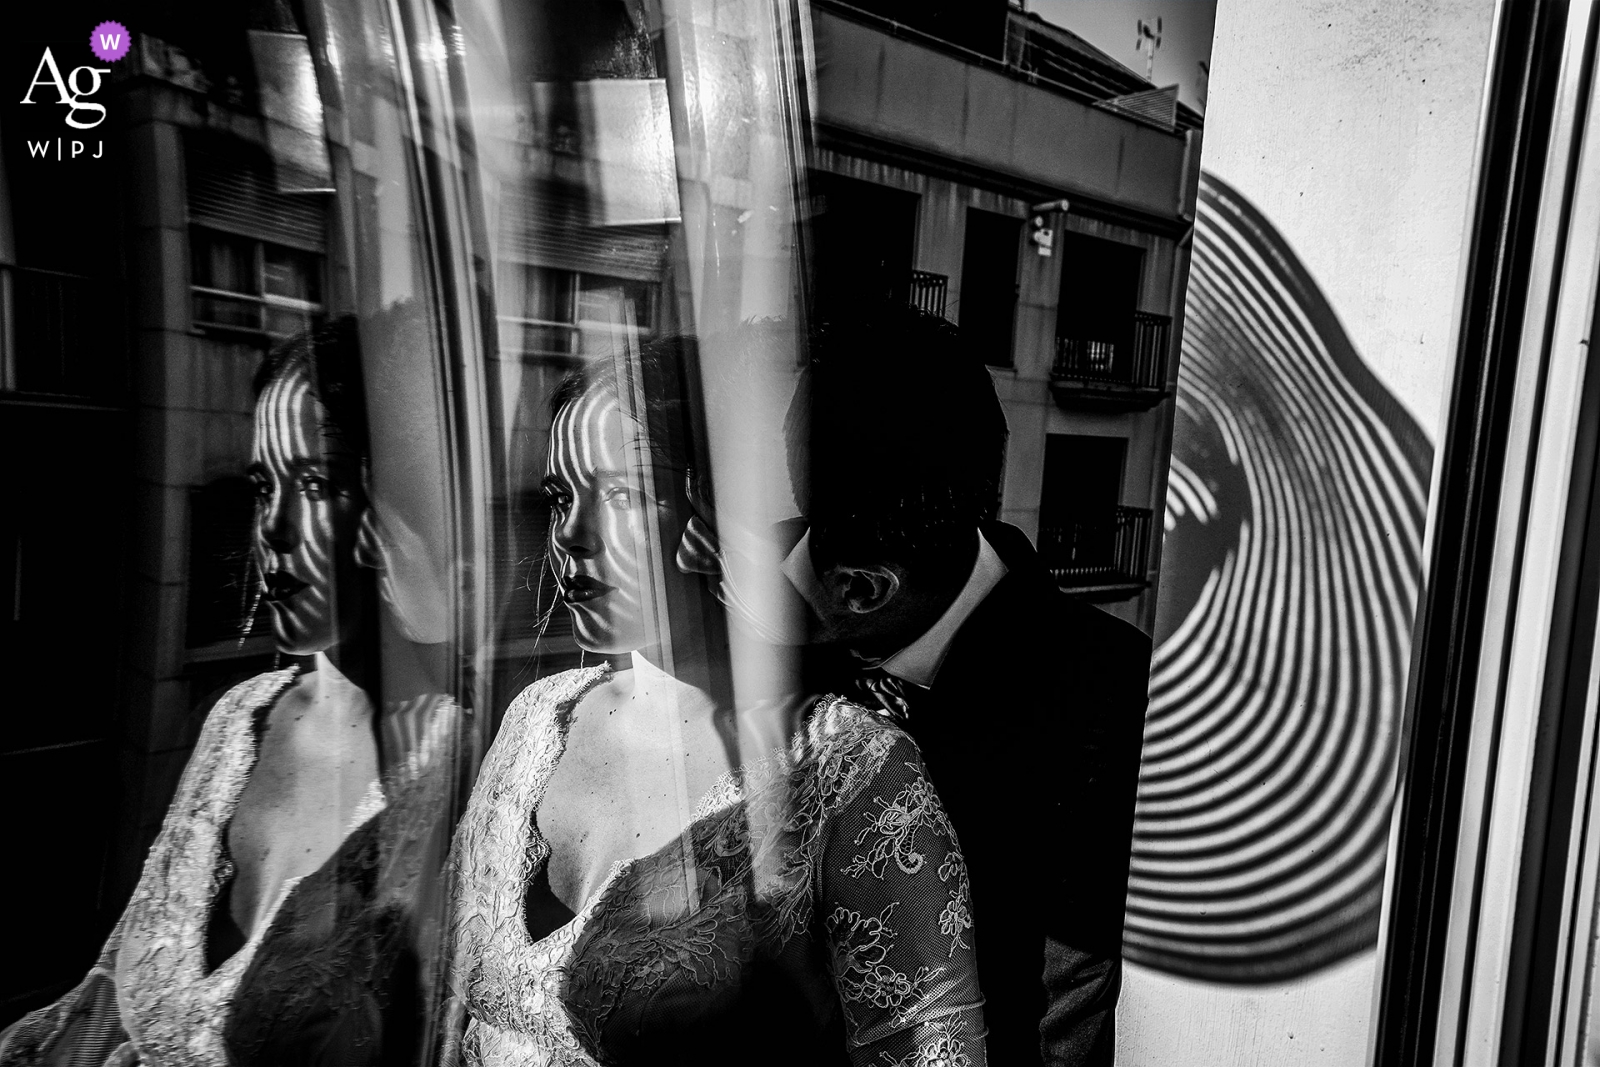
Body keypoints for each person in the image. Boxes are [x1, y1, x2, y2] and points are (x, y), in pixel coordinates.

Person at [443, 343, 986, 1067]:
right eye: (559, 497)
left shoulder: (852, 771)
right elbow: (446, 1004)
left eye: (622, 494)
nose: (571, 535)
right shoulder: (536, 719)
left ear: (714, 509)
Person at [0, 318, 461, 1067]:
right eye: (261, 485)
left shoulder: (457, 757)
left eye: (315, 483)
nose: (273, 528)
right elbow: (107, 1003)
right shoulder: (238, 718)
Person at [782, 305, 1153, 1066]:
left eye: (808, 546)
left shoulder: (1108, 697)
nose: (782, 569)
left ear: (865, 589)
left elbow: (1065, 1005)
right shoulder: (746, 577)